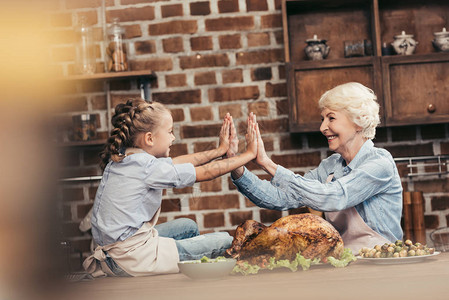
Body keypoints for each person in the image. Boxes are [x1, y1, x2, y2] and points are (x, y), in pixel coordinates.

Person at [83, 98, 258, 277]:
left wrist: (220, 150)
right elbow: (206, 172)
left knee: (187, 227)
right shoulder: (147, 167)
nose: (173, 137)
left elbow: (176, 163)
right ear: (149, 138)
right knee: (226, 241)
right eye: (169, 132)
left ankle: (185, 261)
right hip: (131, 260)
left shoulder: (127, 159)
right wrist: (249, 154)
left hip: (117, 253)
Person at [229, 82, 403, 253]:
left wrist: (268, 164)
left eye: (331, 118)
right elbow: (280, 198)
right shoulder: (330, 166)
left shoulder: (380, 163)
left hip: (382, 262)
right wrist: (236, 167)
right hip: (344, 261)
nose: (322, 128)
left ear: (359, 122)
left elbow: (335, 196)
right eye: (323, 119)